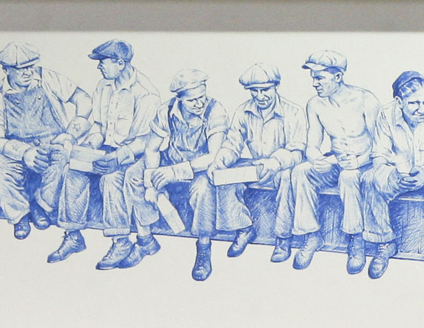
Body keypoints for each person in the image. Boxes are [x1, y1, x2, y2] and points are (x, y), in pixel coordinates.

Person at [50, 39, 160, 270]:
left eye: (103, 61)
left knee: (111, 179)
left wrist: (117, 157)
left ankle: (121, 241)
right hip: (106, 150)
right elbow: (99, 127)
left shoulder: (146, 93)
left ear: (120, 63)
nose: (99, 66)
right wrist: (90, 145)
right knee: (73, 172)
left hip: (134, 155)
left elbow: (144, 141)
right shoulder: (103, 86)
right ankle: (73, 236)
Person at [288, 50, 384, 273]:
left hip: (365, 163)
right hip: (335, 160)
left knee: (349, 176)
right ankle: (311, 236)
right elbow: (312, 145)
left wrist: (358, 161)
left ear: (338, 76)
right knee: (301, 171)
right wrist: (316, 160)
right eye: (313, 78)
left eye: (319, 78)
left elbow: (380, 144)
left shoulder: (366, 100)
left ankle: (356, 240)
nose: (314, 83)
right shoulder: (315, 104)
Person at [0, 41, 91, 240]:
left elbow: (83, 99)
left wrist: (71, 133)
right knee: (0, 173)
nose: (28, 72)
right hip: (16, 148)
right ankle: (20, 216)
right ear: (6, 70)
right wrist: (24, 153)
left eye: (31, 66)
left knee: (62, 161)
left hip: (52, 141)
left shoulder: (47, 78)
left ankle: (40, 205)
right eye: (21, 69)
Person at [362, 70, 424, 284]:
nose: (421, 109)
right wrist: (391, 174)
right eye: (414, 103)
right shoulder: (385, 115)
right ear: (399, 102)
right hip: (399, 175)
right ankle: (385, 242)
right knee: (369, 179)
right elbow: (379, 154)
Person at [145, 68, 233, 282]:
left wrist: (175, 172)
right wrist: (151, 183)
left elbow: (213, 156)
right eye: (192, 100)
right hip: (172, 161)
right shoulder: (166, 111)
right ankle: (144, 239)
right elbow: (152, 149)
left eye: (202, 97)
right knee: (135, 177)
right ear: (179, 99)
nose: (199, 103)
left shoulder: (215, 111)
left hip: (199, 169)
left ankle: (204, 247)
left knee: (203, 190)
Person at [216, 64, 304, 264]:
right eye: (254, 91)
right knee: (225, 176)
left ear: (276, 87)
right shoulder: (242, 111)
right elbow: (232, 144)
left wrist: (275, 162)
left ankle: (283, 238)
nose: (260, 96)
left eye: (265, 90)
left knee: (287, 178)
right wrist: (222, 160)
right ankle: (244, 229)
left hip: (282, 168)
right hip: (256, 167)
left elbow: (297, 151)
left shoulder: (293, 112)